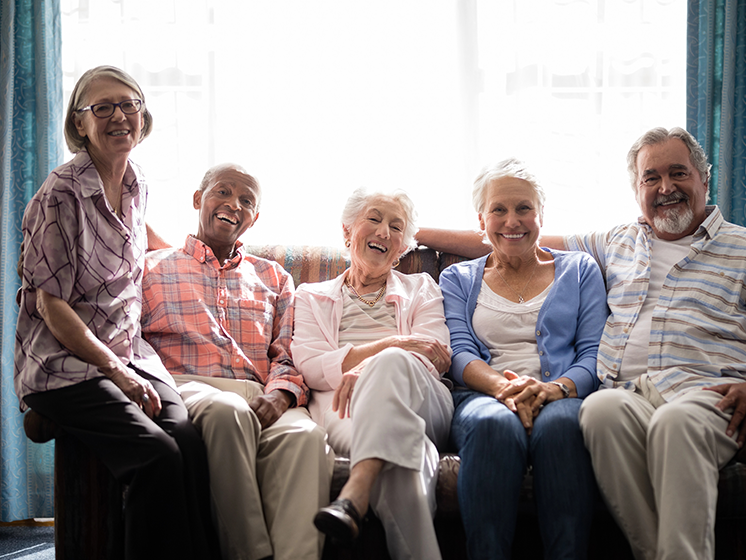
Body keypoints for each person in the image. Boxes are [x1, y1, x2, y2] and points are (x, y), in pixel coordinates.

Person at [418, 127, 746, 560]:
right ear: (636, 189)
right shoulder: (617, 242)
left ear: (704, 178)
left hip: (705, 392)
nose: (665, 188)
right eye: (651, 178)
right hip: (626, 393)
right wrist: (401, 229)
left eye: (678, 173)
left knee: (672, 425)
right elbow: (513, 239)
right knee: (598, 411)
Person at [14, 65, 218, 560]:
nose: (119, 116)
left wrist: (193, 265)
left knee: (188, 440)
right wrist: (116, 373)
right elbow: (50, 304)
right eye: (101, 107)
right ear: (79, 124)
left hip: (129, 349)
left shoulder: (135, 180)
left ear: (143, 116)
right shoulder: (59, 194)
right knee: (156, 457)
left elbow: (137, 237)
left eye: (129, 104)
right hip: (66, 361)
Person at [140, 163, 334, 560]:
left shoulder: (275, 277)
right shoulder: (149, 268)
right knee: (226, 411)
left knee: (307, 438)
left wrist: (281, 397)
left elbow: (287, 353)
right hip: (187, 387)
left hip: (262, 395)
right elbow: (128, 343)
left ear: (254, 218)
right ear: (198, 199)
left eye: (246, 200)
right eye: (223, 192)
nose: (234, 204)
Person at [437, 158, 608, 559]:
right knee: (494, 424)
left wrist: (553, 388)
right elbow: (458, 353)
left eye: (523, 208)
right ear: (482, 220)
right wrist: (504, 388)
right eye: (499, 209)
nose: (512, 220)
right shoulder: (457, 279)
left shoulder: (579, 269)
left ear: (541, 215)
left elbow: (594, 351)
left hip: (563, 393)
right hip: (482, 396)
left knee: (563, 426)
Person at [291, 188, 454, 560]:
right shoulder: (310, 296)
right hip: (343, 406)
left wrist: (368, 365)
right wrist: (397, 342)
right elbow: (313, 367)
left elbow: (434, 356)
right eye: (374, 219)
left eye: (396, 227)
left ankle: (355, 492)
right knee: (405, 461)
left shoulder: (422, 288)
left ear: (402, 249)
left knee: (393, 364)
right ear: (348, 232)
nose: (383, 232)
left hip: (423, 402)